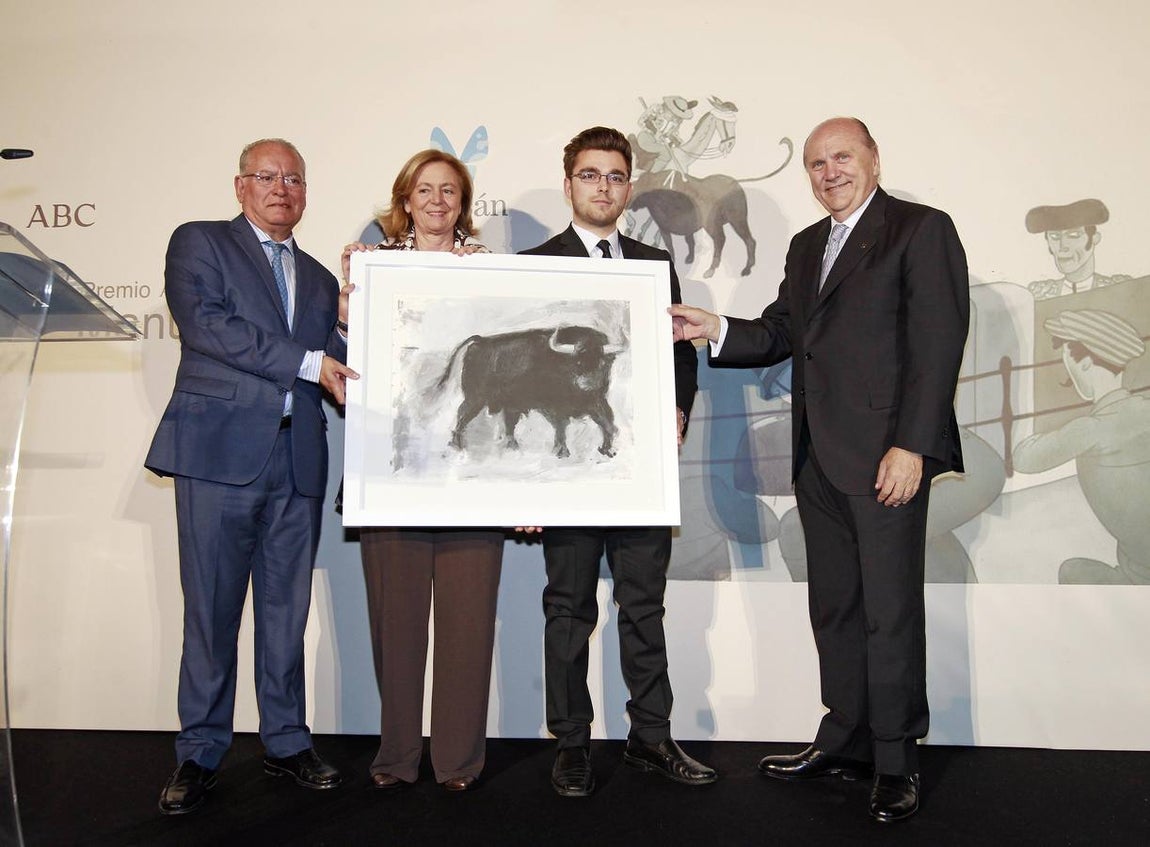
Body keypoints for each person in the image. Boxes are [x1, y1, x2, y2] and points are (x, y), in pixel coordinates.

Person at [671, 117, 969, 823]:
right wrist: (717, 329)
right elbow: (782, 332)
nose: (828, 171)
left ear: (873, 157)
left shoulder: (920, 229)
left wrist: (913, 445)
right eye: (815, 163)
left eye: (841, 156)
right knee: (834, 607)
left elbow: (938, 341)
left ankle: (896, 760)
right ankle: (844, 739)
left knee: (889, 613)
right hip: (816, 458)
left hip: (886, 460)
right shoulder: (809, 246)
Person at [147, 138, 357, 815]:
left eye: (294, 178)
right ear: (240, 185)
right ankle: (200, 751)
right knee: (210, 613)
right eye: (267, 176)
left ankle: (287, 739)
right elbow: (207, 326)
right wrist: (307, 362)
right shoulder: (199, 243)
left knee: (284, 615)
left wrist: (364, 318)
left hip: (298, 463)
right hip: (218, 457)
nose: (281, 188)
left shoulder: (324, 280)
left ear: (306, 191)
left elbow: (335, 364)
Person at [519, 126, 716, 797]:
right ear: (568, 182)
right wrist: (526, 478)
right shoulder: (533, 262)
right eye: (589, 174)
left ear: (629, 187)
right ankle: (572, 741)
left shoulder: (653, 262)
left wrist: (680, 409)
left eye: (614, 176)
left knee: (643, 606)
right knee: (568, 608)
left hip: (640, 471)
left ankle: (651, 736)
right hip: (567, 468)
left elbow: (680, 352)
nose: (602, 187)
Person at [341, 149, 504, 793]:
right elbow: (345, 359)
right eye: (424, 191)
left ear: (463, 204)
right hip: (392, 471)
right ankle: (396, 757)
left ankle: (458, 761)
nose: (437, 202)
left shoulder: (493, 272)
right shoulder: (369, 269)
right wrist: (350, 301)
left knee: (468, 624)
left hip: (471, 472)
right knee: (396, 623)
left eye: (450, 192)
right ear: (404, 199)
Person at [1013, 309, 1150, 584]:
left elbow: (1023, 458)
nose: (1068, 373)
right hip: (1136, 564)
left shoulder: (1090, 429)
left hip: (1138, 576)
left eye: (1068, 362)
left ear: (1086, 363)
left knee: (1072, 573)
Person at [1024, 199, 1130, 300]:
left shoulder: (1119, 289)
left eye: (1073, 235)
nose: (1062, 246)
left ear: (1094, 238)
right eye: (1055, 237)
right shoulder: (1039, 295)